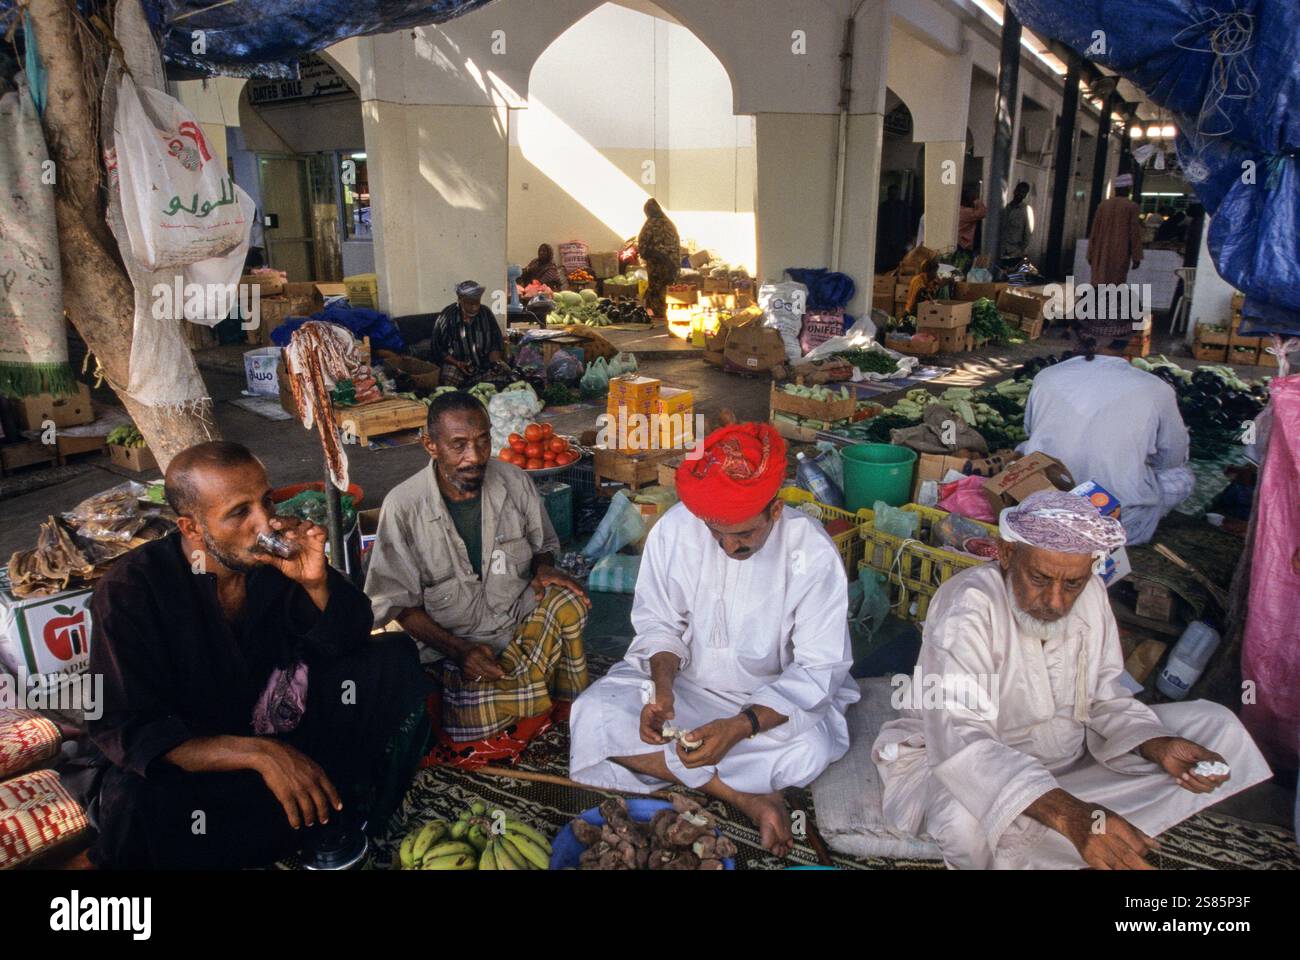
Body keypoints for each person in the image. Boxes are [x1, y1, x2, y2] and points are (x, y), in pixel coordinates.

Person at [872, 491, 1272, 870]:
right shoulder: (967, 606)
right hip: (966, 766)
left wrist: (1153, 743)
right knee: (963, 821)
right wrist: (1073, 816)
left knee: (1216, 728)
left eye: (1072, 584)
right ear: (1008, 555)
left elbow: (1104, 698)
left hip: (1067, 759)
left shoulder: (1092, 594)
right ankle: (1063, 833)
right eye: (1041, 579)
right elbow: (961, 739)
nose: (1056, 602)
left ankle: (1059, 836)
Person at [87, 442, 427, 869]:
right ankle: (289, 819)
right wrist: (261, 755)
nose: (265, 522)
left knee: (391, 658)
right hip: (206, 757)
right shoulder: (131, 591)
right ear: (191, 528)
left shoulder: (271, 560)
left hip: (280, 721)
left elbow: (348, 637)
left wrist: (315, 584)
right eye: (239, 512)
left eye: (266, 501)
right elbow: (128, 728)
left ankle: (322, 808)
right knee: (136, 803)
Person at [568, 422, 860, 855]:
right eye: (715, 532)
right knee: (592, 716)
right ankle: (743, 795)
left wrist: (741, 727)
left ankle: (711, 777)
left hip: (768, 701)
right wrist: (662, 694)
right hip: (688, 688)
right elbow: (659, 625)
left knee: (810, 750)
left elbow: (819, 669)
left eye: (743, 534)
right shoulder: (675, 529)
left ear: (775, 510)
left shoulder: (811, 553)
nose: (727, 547)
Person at [364, 391, 591, 767]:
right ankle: (528, 699)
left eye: (483, 440)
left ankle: (553, 706)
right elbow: (397, 604)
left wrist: (544, 567)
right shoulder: (403, 507)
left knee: (568, 602)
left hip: (513, 625)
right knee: (474, 727)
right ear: (430, 445)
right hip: (451, 649)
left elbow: (542, 545)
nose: (475, 456)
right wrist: (459, 651)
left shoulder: (513, 481)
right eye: (459, 445)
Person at [1017, 334, 1193, 544]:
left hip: (1049, 511)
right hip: (1120, 522)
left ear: (1077, 332)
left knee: (1025, 447)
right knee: (1182, 477)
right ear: (1128, 338)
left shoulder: (1046, 377)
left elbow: (1031, 431)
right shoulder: (1157, 388)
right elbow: (1172, 458)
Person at [430, 280, 507, 387]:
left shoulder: (486, 313)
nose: (474, 307)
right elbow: (437, 348)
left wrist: (494, 363)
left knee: (502, 376)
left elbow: (496, 342)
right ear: (460, 300)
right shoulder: (448, 316)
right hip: (457, 366)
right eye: (470, 304)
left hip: (482, 367)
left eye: (477, 303)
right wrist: (457, 363)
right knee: (448, 379)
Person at [1088, 174, 1144, 288]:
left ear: (1115, 189)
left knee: (1099, 281)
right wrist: (1136, 256)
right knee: (1116, 281)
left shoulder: (1103, 205)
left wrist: (1090, 253)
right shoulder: (1131, 207)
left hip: (1100, 251)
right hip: (1120, 251)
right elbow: (1134, 234)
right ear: (1128, 189)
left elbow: (1094, 231)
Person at [637, 198, 680, 322]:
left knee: (656, 288)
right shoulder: (669, 224)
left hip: (657, 265)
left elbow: (643, 246)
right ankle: (671, 312)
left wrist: (647, 255)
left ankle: (659, 314)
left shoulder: (650, 224)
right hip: (672, 264)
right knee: (669, 288)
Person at [876, 184, 912, 272]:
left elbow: (907, 222)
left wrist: (908, 237)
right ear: (888, 194)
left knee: (897, 261)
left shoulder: (903, 206)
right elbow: (880, 223)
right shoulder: (884, 206)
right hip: (886, 240)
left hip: (898, 239)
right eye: (892, 194)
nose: (893, 196)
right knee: (886, 261)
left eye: (895, 194)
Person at [999, 181, 1033, 269]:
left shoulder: (1026, 211)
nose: (1020, 194)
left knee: (1013, 279)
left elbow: (1027, 233)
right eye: (1019, 191)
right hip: (1002, 250)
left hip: (1015, 252)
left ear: (1025, 195)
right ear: (1015, 191)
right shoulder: (1006, 208)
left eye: (1023, 192)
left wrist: (1020, 249)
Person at [957, 185, 987, 255]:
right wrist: (976, 200)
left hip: (962, 243)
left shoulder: (959, 210)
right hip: (965, 244)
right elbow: (983, 212)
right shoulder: (965, 211)